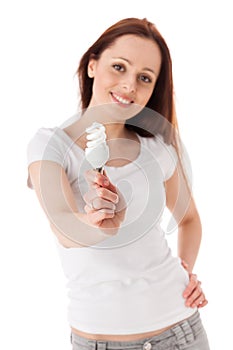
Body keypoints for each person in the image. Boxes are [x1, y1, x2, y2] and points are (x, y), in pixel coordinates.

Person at [27, 17, 210, 350]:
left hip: (181, 331)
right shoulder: (51, 146)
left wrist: (186, 273)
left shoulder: (158, 148)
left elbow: (189, 219)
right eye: (119, 67)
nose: (129, 86)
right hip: (99, 341)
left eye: (144, 78)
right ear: (92, 65)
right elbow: (63, 227)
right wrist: (97, 223)